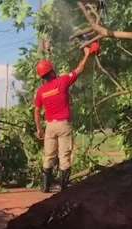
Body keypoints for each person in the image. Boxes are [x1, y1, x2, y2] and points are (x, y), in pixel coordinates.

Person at [34, 47, 93, 193]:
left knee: (48, 155)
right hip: (63, 125)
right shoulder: (63, 81)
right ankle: (64, 188)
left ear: (42, 77)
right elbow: (79, 69)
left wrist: (39, 129)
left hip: (49, 126)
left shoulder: (41, 91)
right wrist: (86, 54)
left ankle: (45, 187)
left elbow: (36, 111)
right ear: (52, 71)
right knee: (64, 156)